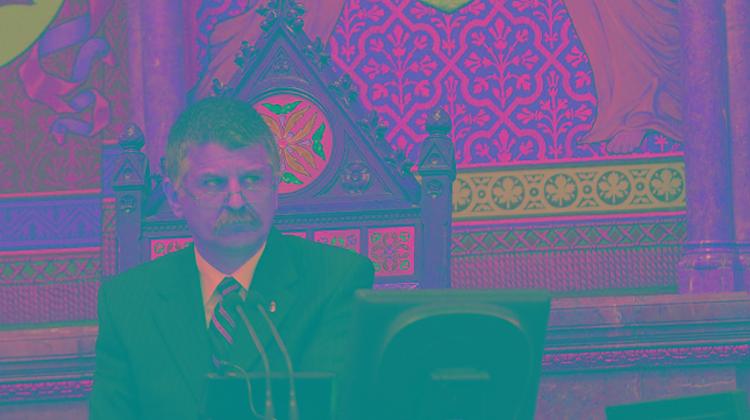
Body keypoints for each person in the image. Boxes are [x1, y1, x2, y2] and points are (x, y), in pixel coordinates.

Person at [89, 97, 375, 419]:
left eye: (252, 180)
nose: (237, 201)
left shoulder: (335, 280)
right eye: (214, 183)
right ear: (175, 197)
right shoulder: (128, 301)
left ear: (275, 186)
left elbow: (329, 411)